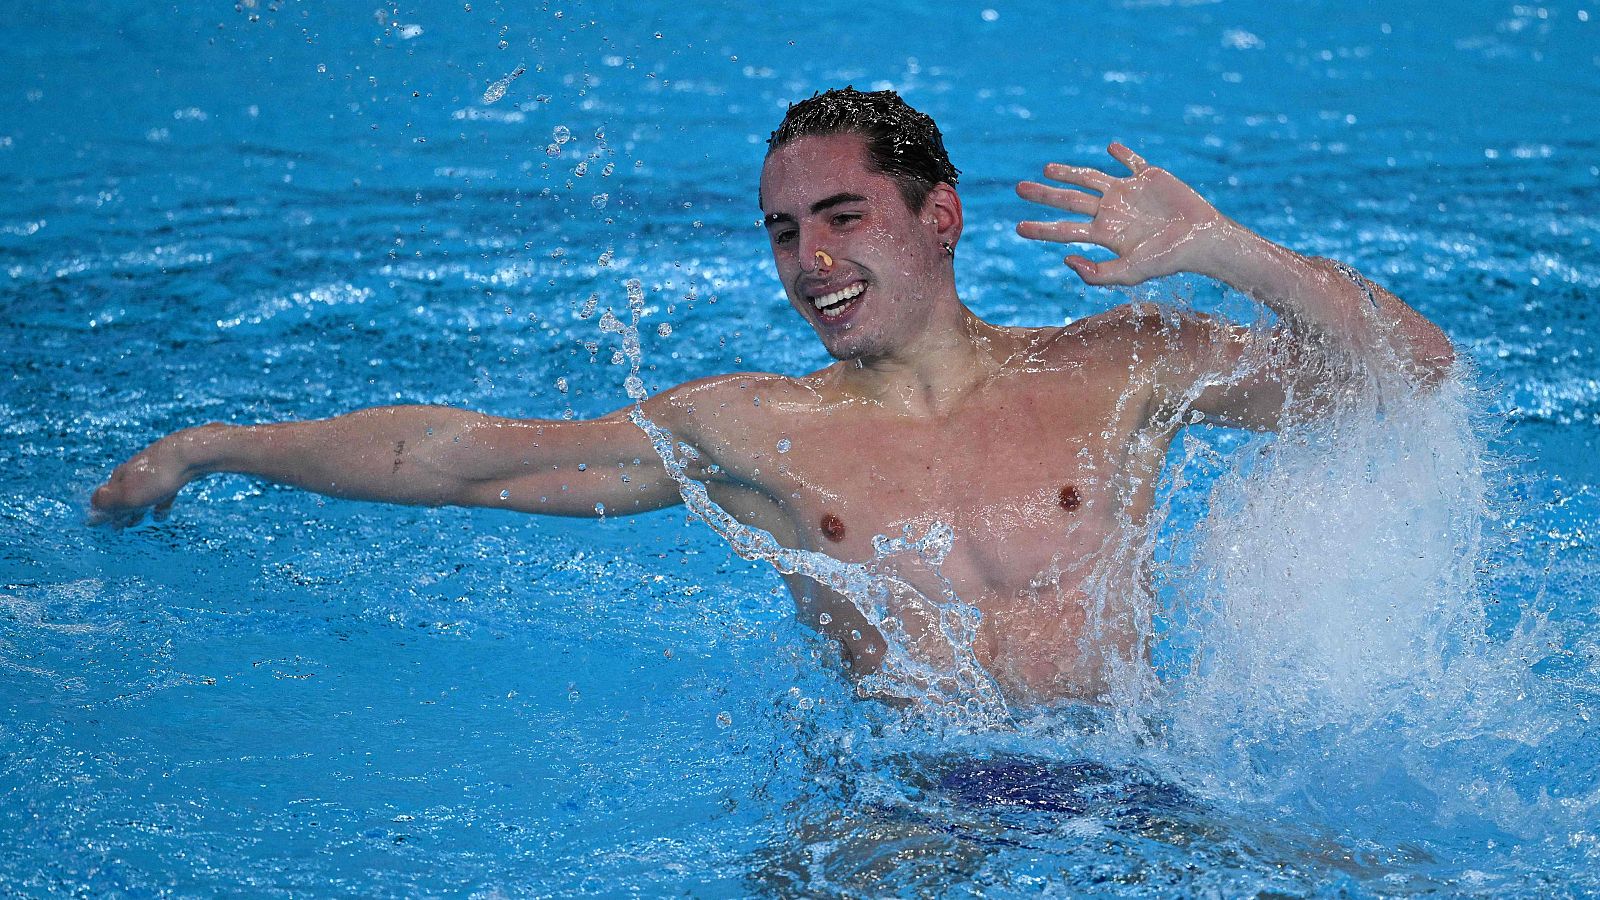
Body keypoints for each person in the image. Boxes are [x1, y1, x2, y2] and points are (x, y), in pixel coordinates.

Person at [90, 88, 1454, 705]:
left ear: (940, 216)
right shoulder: (753, 431)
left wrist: (1226, 252)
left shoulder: (1122, 366)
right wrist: (219, 446)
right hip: (897, 819)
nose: (810, 263)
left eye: (842, 218)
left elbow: (1414, 379)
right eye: (784, 233)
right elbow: (462, 460)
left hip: (1145, 790)